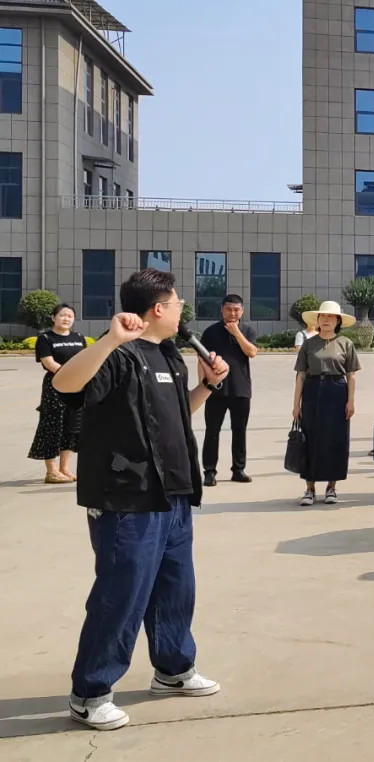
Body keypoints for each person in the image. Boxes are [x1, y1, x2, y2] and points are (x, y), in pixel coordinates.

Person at [52, 268, 228, 731]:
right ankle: (90, 692)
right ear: (157, 308)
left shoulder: (169, 353)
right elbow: (64, 385)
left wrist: (207, 386)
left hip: (172, 491)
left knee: (175, 588)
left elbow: (176, 414)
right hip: (126, 497)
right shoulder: (117, 354)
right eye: (177, 303)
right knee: (121, 594)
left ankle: (173, 669)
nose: (182, 311)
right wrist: (109, 340)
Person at [292, 301, 360, 506]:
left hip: (337, 391)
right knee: (310, 439)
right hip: (312, 391)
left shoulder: (346, 343)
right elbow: (300, 375)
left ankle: (332, 487)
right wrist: (296, 405)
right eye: (323, 316)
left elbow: (351, 375)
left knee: (335, 440)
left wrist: (350, 401)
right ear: (317, 320)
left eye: (331, 317)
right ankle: (309, 489)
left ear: (338, 321)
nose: (326, 320)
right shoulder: (308, 344)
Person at [199, 294, 257, 487]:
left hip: (241, 389)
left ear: (242, 311)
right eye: (228, 309)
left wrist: (236, 333)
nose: (232, 313)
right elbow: (202, 359)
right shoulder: (211, 332)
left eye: (236, 309)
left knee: (239, 431)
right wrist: (203, 386)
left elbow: (251, 352)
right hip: (215, 389)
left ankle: (238, 470)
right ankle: (209, 472)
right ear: (222, 310)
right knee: (212, 431)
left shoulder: (247, 331)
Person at [28, 303, 86, 483]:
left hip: (77, 386)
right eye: (62, 315)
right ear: (53, 318)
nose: (66, 318)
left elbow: (85, 359)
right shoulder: (45, 338)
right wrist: (69, 375)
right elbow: (48, 362)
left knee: (72, 427)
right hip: (55, 385)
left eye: (70, 316)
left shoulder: (79, 337)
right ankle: (51, 471)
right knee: (52, 426)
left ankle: (64, 468)